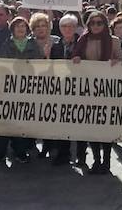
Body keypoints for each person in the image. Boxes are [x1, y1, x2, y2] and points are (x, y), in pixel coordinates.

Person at [72, 11, 122, 174]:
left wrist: (117, 62)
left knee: (106, 128)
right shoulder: (82, 40)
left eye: (99, 23)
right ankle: (96, 160)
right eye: (92, 23)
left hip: (107, 91)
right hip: (88, 91)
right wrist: (76, 60)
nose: (95, 26)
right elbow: (75, 59)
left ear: (104, 25)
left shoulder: (114, 41)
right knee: (92, 128)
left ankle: (106, 161)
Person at [0, 17, 33, 165]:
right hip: (7, 88)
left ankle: (20, 152)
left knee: (20, 123)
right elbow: (1, 64)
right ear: (13, 29)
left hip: (26, 89)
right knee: (4, 122)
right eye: (17, 26)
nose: (21, 29)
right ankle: (0, 152)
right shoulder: (6, 44)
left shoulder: (33, 44)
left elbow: (39, 62)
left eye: (23, 26)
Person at [50, 14, 80, 164]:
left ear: (75, 28)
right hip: (60, 89)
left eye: (71, 26)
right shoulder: (55, 45)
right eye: (64, 26)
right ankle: (63, 153)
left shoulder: (82, 44)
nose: (67, 29)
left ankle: (80, 155)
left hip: (78, 89)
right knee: (61, 121)